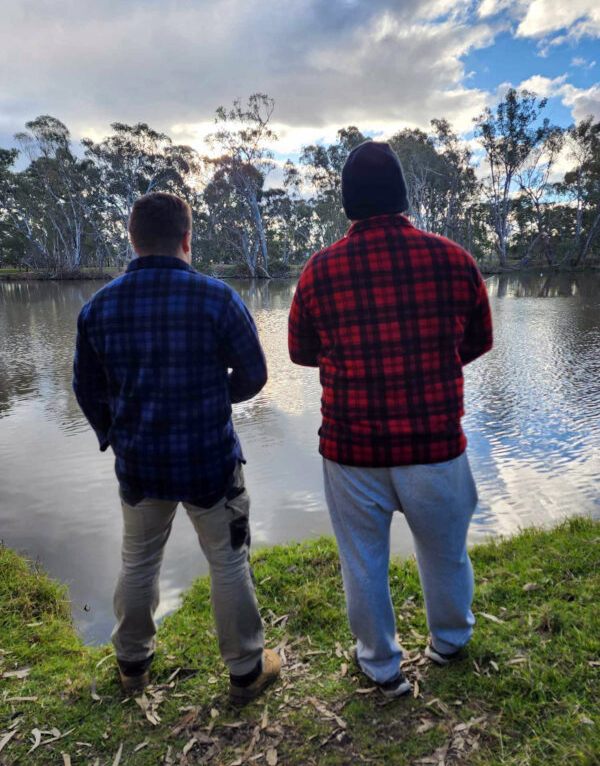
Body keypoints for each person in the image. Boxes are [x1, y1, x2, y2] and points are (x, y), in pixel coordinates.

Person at [288, 141, 493, 697]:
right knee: (445, 551)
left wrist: (352, 359)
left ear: (348, 204)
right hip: (436, 445)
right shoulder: (454, 259)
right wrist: (429, 363)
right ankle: (449, 641)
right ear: (403, 198)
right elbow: (478, 340)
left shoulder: (319, 270)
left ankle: (380, 665)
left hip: (352, 448)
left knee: (362, 562)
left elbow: (301, 353)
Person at [73, 191, 280, 703]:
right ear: (188, 238)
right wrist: (216, 397)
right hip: (210, 460)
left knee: (139, 560)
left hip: (140, 463)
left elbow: (85, 387)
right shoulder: (217, 298)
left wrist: (114, 432)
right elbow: (254, 374)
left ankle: (131, 665)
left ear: (132, 238)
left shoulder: (99, 307)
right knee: (229, 561)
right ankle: (246, 671)